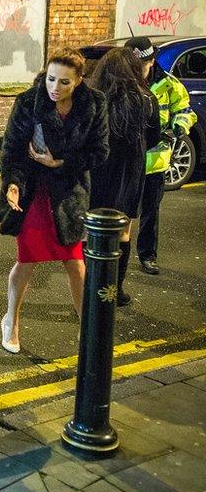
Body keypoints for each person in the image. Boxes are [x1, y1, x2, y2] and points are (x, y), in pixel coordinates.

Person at [0, 48, 109, 353]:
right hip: (33, 192)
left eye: (63, 82)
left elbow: (99, 152)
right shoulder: (28, 103)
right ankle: (11, 320)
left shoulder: (94, 104)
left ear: (79, 81)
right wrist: (13, 186)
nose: (54, 88)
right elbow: (12, 152)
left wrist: (61, 163)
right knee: (27, 260)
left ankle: (88, 329)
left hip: (69, 195)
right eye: (50, 79)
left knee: (76, 263)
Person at [88, 47, 160, 306]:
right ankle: (114, 291)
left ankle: (91, 291)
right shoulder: (147, 99)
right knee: (123, 231)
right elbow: (154, 137)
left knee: (92, 232)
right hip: (129, 173)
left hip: (97, 171)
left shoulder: (94, 98)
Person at [126, 36, 198, 276]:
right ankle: (117, 262)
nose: (138, 70)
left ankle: (147, 255)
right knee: (123, 215)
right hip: (127, 163)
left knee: (150, 211)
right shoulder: (122, 83)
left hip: (156, 161)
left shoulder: (168, 84)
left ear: (152, 61)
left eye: (142, 65)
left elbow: (185, 111)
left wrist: (176, 129)